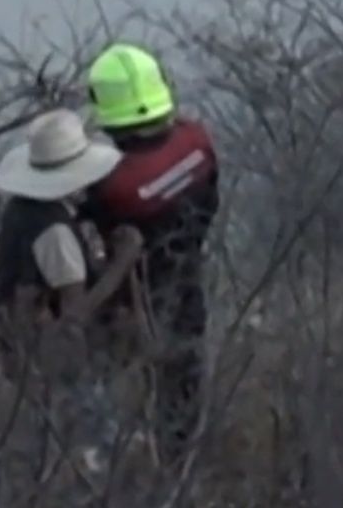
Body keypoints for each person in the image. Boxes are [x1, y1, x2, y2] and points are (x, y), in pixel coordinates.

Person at [78, 43, 220, 462]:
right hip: (188, 290)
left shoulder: (109, 183)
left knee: (106, 404)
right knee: (182, 398)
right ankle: (179, 473)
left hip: (127, 306)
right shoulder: (198, 143)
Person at [0, 109, 139, 466]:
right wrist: (122, 263)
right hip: (63, 368)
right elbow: (75, 311)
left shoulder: (19, 213)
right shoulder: (55, 231)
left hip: (27, 359)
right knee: (96, 456)